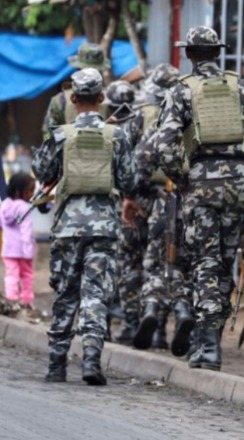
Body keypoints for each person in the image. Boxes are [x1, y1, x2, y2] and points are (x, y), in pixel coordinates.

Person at [151, 26, 244, 371]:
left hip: (201, 183)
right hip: (239, 184)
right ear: (217, 52)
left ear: (189, 54)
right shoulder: (240, 88)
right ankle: (210, 341)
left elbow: (164, 146)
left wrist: (184, 180)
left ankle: (208, 346)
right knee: (227, 260)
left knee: (204, 262)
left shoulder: (182, 91)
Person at [34, 68, 135, 385]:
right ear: (102, 98)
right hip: (103, 225)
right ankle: (91, 360)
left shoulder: (59, 133)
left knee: (65, 294)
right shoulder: (116, 135)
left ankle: (56, 366)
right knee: (95, 295)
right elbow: (129, 179)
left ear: (74, 98)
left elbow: (40, 168)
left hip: (67, 227)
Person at [130, 63, 195, 356]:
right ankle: (182, 311)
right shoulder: (201, 120)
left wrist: (139, 195)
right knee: (184, 265)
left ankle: (154, 315)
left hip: (163, 203)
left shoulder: (159, 123)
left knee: (156, 264)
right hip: (196, 204)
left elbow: (140, 166)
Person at [103, 80, 146, 345]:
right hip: (143, 205)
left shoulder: (109, 132)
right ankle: (141, 323)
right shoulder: (142, 126)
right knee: (145, 266)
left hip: (117, 207)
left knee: (118, 265)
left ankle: (114, 325)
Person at [41, 43, 111, 134]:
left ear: (78, 68)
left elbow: (47, 134)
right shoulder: (111, 98)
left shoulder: (60, 100)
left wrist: (62, 139)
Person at [0, 174, 37, 308]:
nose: (32, 194)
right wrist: (28, 251)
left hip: (8, 249)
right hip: (23, 249)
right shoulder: (24, 207)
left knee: (11, 275)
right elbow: (26, 230)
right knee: (27, 275)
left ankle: (11, 299)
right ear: (18, 191)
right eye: (30, 190)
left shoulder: (4, 205)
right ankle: (26, 301)